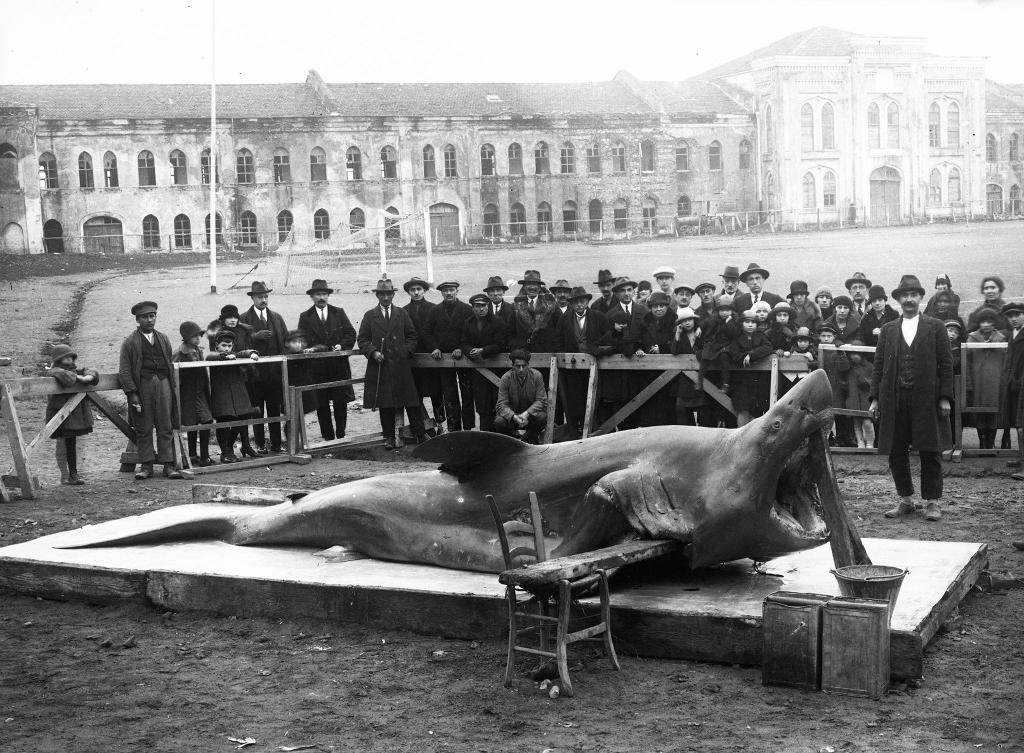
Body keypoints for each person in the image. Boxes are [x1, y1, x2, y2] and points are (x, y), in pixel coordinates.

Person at [870, 275, 954, 522]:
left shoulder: (935, 326)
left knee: (930, 450)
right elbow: (878, 365)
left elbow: (947, 365)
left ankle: (932, 502)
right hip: (894, 400)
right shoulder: (888, 330)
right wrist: (875, 398)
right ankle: (906, 500)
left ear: (920, 297)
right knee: (896, 450)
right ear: (897, 300)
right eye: (904, 296)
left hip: (926, 400)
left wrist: (945, 397)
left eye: (913, 295)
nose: (908, 299)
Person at [358, 277, 426, 449]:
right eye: (382, 294)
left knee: (411, 401)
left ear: (393, 295)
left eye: (388, 294)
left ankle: (420, 434)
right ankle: (389, 437)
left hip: (401, 366)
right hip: (381, 366)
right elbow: (363, 339)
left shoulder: (402, 314)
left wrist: (405, 351)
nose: (386, 298)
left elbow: (412, 336)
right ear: (377, 296)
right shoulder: (369, 315)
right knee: (385, 403)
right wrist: (373, 352)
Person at [118, 301, 181, 480]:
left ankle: (168, 464)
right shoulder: (130, 342)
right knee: (143, 426)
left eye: (152, 316)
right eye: (145, 317)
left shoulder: (163, 338)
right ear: (137, 320)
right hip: (143, 386)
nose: (149, 320)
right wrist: (132, 393)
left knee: (165, 424)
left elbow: (168, 361)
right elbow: (124, 370)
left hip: (163, 384)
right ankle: (146, 465)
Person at [296, 279, 357, 442]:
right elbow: (301, 339)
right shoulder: (305, 316)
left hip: (338, 366)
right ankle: (328, 436)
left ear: (328, 296)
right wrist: (308, 349)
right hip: (317, 368)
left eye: (324, 294)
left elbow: (351, 333)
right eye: (318, 294)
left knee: (340, 401)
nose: (321, 297)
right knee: (321, 403)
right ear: (312, 297)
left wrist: (342, 346)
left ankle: (341, 434)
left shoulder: (339, 312)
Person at [555, 286, 613, 435]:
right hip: (572, 371)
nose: (579, 305)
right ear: (571, 304)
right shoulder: (564, 319)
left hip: (595, 367)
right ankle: (576, 433)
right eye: (576, 302)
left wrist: (596, 351)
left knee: (595, 402)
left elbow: (610, 341)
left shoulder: (599, 317)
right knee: (574, 402)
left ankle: (595, 433)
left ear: (587, 301)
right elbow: (558, 342)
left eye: (582, 301)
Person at [239, 281, 288, 454]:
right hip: (254, 375)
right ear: (252, 298)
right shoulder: (244, 319)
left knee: (274, 409)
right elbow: (239, 344)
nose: (263, 300)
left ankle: (276, 444)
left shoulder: (276, 317)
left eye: (266, 296)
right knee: (257, 410)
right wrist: (254, 337)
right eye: (260, 297)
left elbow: (285, 341)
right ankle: (260, 444)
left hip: (274, 373)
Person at [423, 280, 475, 432]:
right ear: (441, 293)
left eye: (451, 290)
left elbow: (471, 332)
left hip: (464, 359)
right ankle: (454, 429)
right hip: (443, 360)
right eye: (445, 290)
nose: (449, 293)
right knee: (449, 394)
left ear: (457, 291)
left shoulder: (467, 309)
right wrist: (434, 348)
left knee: (467, 394)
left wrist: (461, 348)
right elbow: (426, 332)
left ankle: (468, 428)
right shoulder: (435, 311)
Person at [46, 344, 97, 485]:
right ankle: (64, 475)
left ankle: (73, 475)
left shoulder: (74, 370)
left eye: (71, 356)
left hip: (73, 416)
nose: (69, 359)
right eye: (65, 357)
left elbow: (92, 371)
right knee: (62, 445)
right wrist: (82, 379)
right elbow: (68, 379)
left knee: (72, 444)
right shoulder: (54, 371)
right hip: (60, 414)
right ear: (58, 359)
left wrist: (88, 376)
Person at [206, 330, 260, 463]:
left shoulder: (234, 355)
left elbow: (241, 353)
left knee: (242, 418)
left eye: (229, 346)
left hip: (237, 396)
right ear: (217, 345)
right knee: (224, 422)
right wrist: (224, 356)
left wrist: (251, 353)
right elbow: (210, 357)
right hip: (222, 396)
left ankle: (229, 448)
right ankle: (225, 453)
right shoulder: (214, 356)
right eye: (224, 345)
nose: (227, 349)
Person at [460, 292, 508, 431]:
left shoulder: (497, 321)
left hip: (496, 369)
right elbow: (463, 342)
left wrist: (483, 350)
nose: (481, 309)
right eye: (477, 306)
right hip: (478, 370)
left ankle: (502, 435)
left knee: (498, 401)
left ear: (488, 306)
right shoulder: (468, 323)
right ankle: (486, 433)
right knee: (482, 403)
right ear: (473, 308)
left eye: (483, 306)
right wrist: (470, 351)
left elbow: (501, 344)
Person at [403, 276, 444, 435]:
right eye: (412, 290)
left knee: (436, 393)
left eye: (419, 289)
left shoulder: (434, 308)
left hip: (432, 357)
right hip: (413, 359)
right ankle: (424, 428)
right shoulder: (403, 311)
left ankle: (441, 425)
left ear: (424, 290)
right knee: (416, 394)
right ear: (409, 292)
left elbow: (439, 331)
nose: (416, 293)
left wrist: (436, 348)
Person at [172, 321, 214, 467]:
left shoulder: (198, 350)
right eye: (194, 336)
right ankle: (193, 455)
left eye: (199, 335)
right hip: (187, 394)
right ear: (186, 337)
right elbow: (173, 373)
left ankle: (204, 455)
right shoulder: (179, 353)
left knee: (206, 421)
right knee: (192, 423)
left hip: (200, 391)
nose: (198, 338)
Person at [966, 308, 1007, 449]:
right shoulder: (972, 338)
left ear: (994, 323)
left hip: (995, 383)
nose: (986, 324)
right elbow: (967, 362)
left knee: (993, 412)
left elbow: (1005, 362)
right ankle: (982, 442)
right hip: (978, 383)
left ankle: (991, 442)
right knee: (979, 412)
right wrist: (968, 382)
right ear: (979, 323)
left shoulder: (1001, 338)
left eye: (989, 321)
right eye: (983, 321)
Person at [636, 291, 678, 426]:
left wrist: (663, 349)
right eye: (655, 306)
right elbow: (638, 339)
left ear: (667, 306)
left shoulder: (674, 320)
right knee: (649, 405)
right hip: (648, 373)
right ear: (651, 307)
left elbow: (678, 342)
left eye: (662, 306)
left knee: (668, 408)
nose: (658, 309)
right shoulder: (645, 321)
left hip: (670, 373)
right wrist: (639, 349)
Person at [728, 309, 773, 426]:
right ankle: (740, 438)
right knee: (743, 410)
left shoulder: (761, 336)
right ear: (741, 324)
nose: (750, 325)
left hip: (758, 380)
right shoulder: (736, 338)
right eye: (747, 322)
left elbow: (768, 348)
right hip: (741, 381)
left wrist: (751, 355)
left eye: (753, 322)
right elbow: (735, 355)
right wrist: (745, 356)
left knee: (759, 409)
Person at [494, 349, 548, 444]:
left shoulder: (537, 376)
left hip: (530, 416)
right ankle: (513, 441)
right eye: (518, 366)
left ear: (528, 365)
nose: (521, 369)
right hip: (513, 416)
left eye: (524, 366)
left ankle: (526, 440)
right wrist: (514, 416)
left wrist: (526, 414)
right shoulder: (506, 378)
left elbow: (541, 401)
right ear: (512, 366)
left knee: (542, 417)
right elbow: (501, 404)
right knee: (499, 422)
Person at [999, 301, 1024, 469]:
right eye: (1010, 316)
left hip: (1022, 384)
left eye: (1017, 315)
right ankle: (1021, 458)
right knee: (1018, 423)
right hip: (1014, 386)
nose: (1014, 319)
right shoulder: (1012, 333)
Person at [671, 306, 705, 425]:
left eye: (689, 320)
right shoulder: (680, 335)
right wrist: (678, 335)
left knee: (703, 409)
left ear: (694, 320)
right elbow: (674, 352)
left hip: (701, 377)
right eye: (684, 321)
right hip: (684, 380)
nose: (687, 323)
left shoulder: (701, 333)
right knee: (681, 409)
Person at [845, 338, 875, 448]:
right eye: (853, 353)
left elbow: (874, 380)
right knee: (856, 422)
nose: (855, 356)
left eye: (858, 353)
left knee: (867, 422)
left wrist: (867, 382)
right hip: (853, 397)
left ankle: (870, 443)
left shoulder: (869, 366)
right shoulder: (848, 366)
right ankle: (860, 443)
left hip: (865, 397)